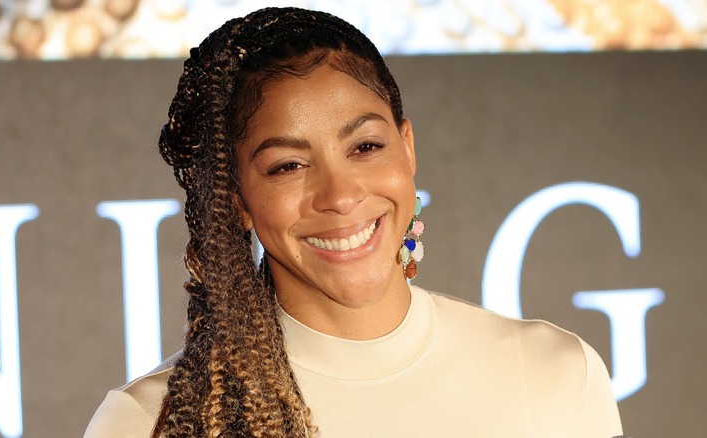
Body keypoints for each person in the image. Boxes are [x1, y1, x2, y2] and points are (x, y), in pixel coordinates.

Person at [85, 7, 623, 438]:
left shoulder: (558, 375)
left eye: (366, 146)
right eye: (288, 166)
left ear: (407, 149)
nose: (340, 196)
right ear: (236, 199)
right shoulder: (151, 423)